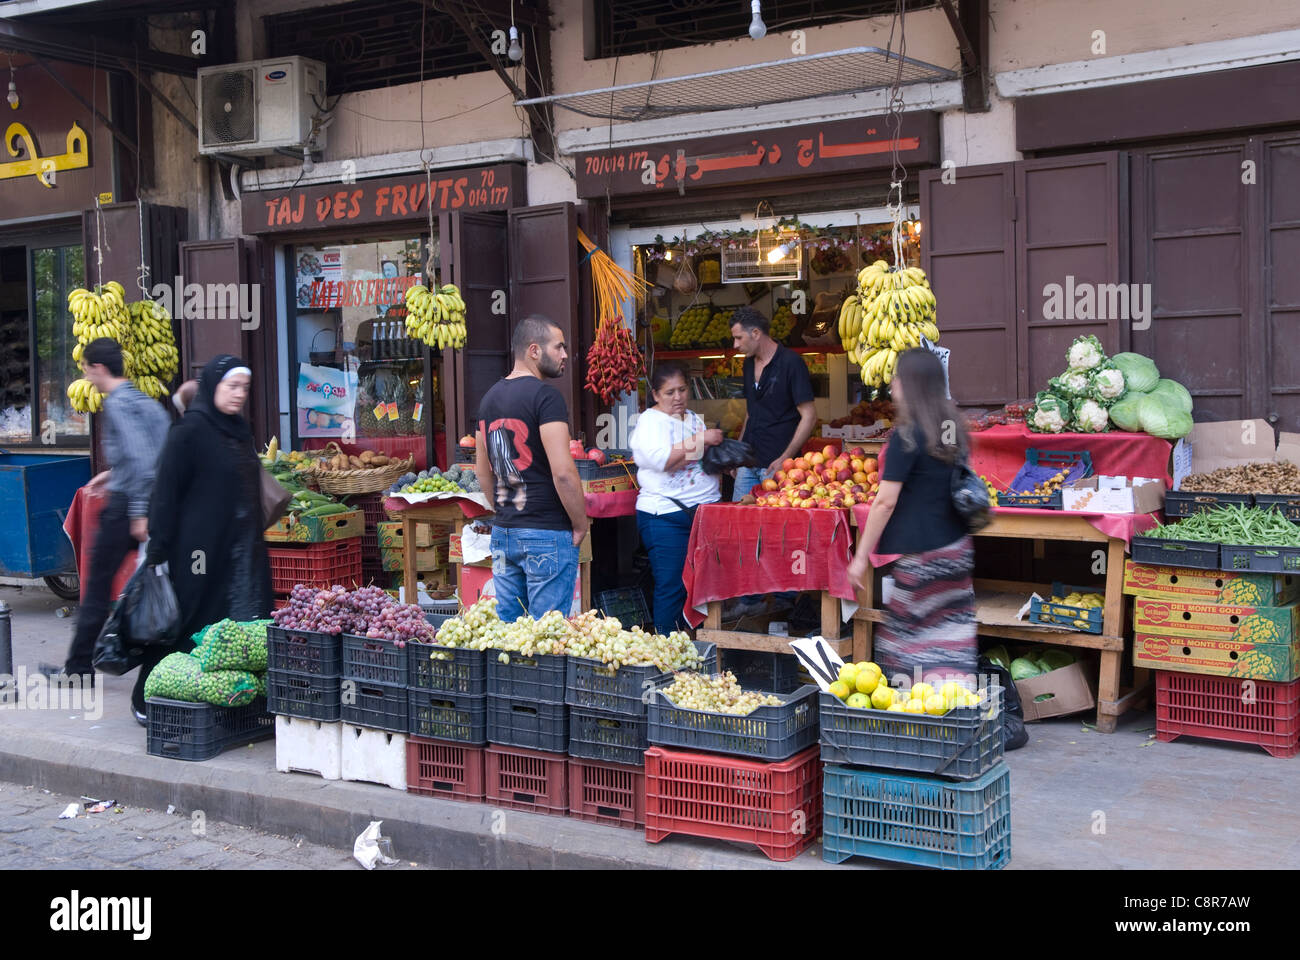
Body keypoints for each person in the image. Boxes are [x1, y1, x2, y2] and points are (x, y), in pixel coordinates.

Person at [144, 355, 273, 721]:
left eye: (244, 388)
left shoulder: (238, 430)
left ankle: (236, 705)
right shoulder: (188, 433)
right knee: (195, 621)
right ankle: (155, 696)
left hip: (243, 549)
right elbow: (166, 493)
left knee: (244, 630)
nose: (238, 395)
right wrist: (158, 550)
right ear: (213, 386)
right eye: (231, 386)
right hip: (200, 551)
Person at [40, 338, 170, 697]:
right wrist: (110, 474)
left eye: (86, 368)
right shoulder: (146, 402)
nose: (86, 376)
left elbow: (142, 462)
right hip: (149, 503)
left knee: (96, 588)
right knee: (155, 583)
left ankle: (79, 668)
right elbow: (155, 455)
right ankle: (152, 662)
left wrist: (138, 514)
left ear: (98, 368)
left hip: (127, 508)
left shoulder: (118, 406)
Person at [847, 348, 976, 688]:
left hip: (922, 556)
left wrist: (861, 557)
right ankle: (957, 709)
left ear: (909, 384)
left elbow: (884, 502)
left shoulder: (906, 437)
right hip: (956, 549)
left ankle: (921, 720)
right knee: (952, 636)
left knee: (907, 644)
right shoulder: (951, 428)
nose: (892, 386)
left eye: (896, 378)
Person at [474, 315, 588, 623]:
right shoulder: (546, 397)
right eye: (559, 347)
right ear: (534, 350)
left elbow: (483, 472)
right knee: (545, 636)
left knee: (509, 632)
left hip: (503, 534)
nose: (565, 355)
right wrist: (580, 523)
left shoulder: (488, 400)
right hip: (546, 533)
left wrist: (503, 510)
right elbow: (563, 473)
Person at [629, 362, 724, 633]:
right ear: (656, 395)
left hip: (701, 514)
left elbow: (695, 457)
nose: (678, 397)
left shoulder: (692, 418)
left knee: (700, 586)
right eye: (670, 392)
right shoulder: (650, 422)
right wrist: (703, 439)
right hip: (665, 516)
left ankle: (693, 646)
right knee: (671, 585)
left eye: (682, 390)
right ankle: (667, 651)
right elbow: (665, 461)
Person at [730, 306, 817, 500]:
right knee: (739, 523)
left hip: (778, 467)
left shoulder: (791, 363)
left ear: (755, 333)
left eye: (738, 338)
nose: (735, 345)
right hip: (748, 463)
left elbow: (809, 416)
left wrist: (786, 457)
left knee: (774, 526)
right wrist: (738, 453)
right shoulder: (748, 364)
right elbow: (751, 412)